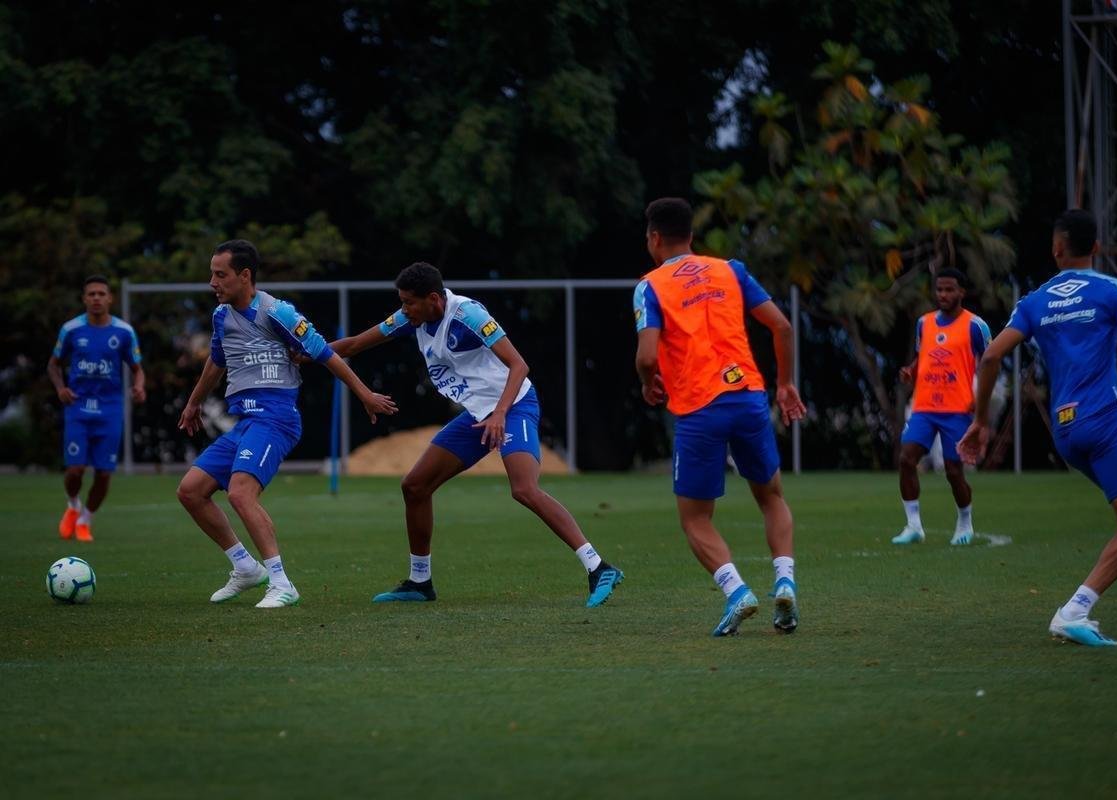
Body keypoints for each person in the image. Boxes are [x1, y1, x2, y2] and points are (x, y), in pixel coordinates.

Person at [958, 209, 1117, 646]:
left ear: (1056, 249)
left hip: (1066, 431)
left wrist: (980, 421)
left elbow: (990, 356)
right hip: (1105, 419)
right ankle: (1074, 610)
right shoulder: (1112, 290)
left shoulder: (1034, 302)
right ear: (1097, 248)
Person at [329, 262, 624, 607]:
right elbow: (352, 345)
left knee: (524, 489)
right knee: (415, 486)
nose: (404, 309)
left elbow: (519, 365)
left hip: (513, 406)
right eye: (402, 302)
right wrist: (303, 351)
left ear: (434, 299)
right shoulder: (411, 318)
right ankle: (420, 582)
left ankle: (598, 567)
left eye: (409, 302)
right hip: (479, 414)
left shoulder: (468, 315)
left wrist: (500, 413)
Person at [176, 240, 397, 608]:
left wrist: (364, 394)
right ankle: (245, 567)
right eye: (212, 274)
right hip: (246, 422)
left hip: (276, 418)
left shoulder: (277, 313)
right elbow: (216, 361)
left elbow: (326, 354)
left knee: (240, 493)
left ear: (245, 276)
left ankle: (281, 583)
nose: (212, 282)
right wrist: (194, 402)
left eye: (220, 274)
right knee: (190, 491)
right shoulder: (221, 317)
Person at [633, 197, 806, 637]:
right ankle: (785, 582)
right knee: (771, 496)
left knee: (695, 518)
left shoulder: (650, 285)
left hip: (699, 407)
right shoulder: (731, 270)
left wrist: (648, 383)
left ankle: (737, 591)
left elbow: (647, 356)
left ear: (654, 238)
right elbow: (782, 326)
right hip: (747, 396)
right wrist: (785, 384)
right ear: (691, 235)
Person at [893, 268, 992, 546]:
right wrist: (911, 370)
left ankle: (965, 522)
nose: (943, 295)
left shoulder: (976, 326)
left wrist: (980, 404)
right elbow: (923, 356)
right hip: (924, 406)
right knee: (906, 459)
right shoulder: (924, 323)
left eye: (949, 289)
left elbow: (990, 364)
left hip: (957, 409)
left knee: (953, 471)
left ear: (962, 292)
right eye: (939, 290)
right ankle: (913, 526)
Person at [47, 275, 146, 542]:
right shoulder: (71, 329)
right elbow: (53, 364)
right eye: (91, 294)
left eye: (101, 293)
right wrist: (60, 388)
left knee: (103, 474)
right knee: (75, 470)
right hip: (77, 408)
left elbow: (137, 369)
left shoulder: (123, 331)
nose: (96, 298)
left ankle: (85, 520)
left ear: (110, 298)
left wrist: (139, 387)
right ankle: (73, 505)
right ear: (84, 299)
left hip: (110, 410)